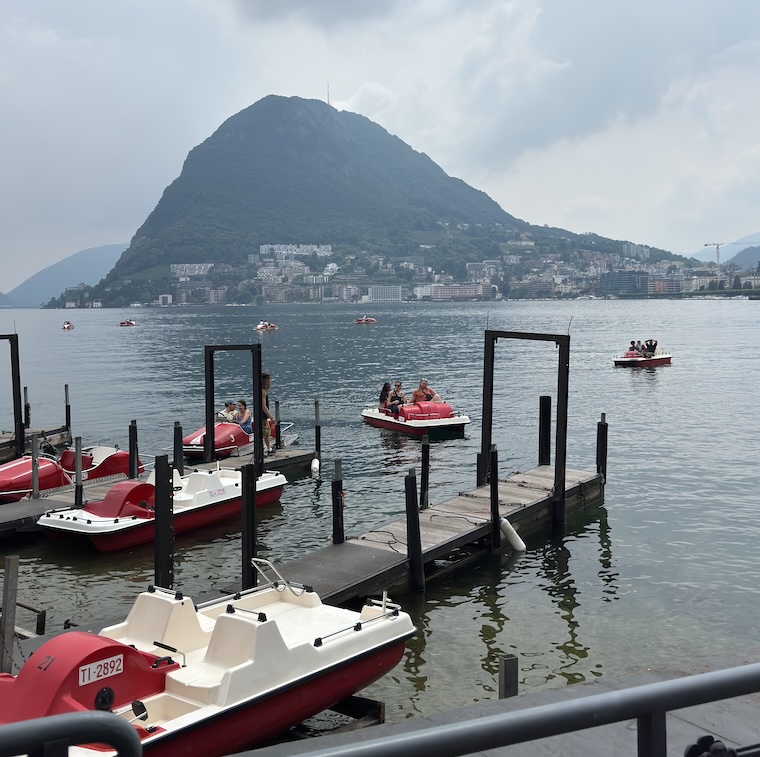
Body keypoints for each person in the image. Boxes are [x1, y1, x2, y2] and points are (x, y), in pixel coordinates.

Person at [262, 372, 275, 454]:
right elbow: (263, 406)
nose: (269, 381)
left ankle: (268, 448)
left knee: (266, 432)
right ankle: (267, 448)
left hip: (263, 416)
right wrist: (271, 417)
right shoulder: (263, 391)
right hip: (263, 415)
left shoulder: (263, 391)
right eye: (267, 379)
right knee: (265, 432)